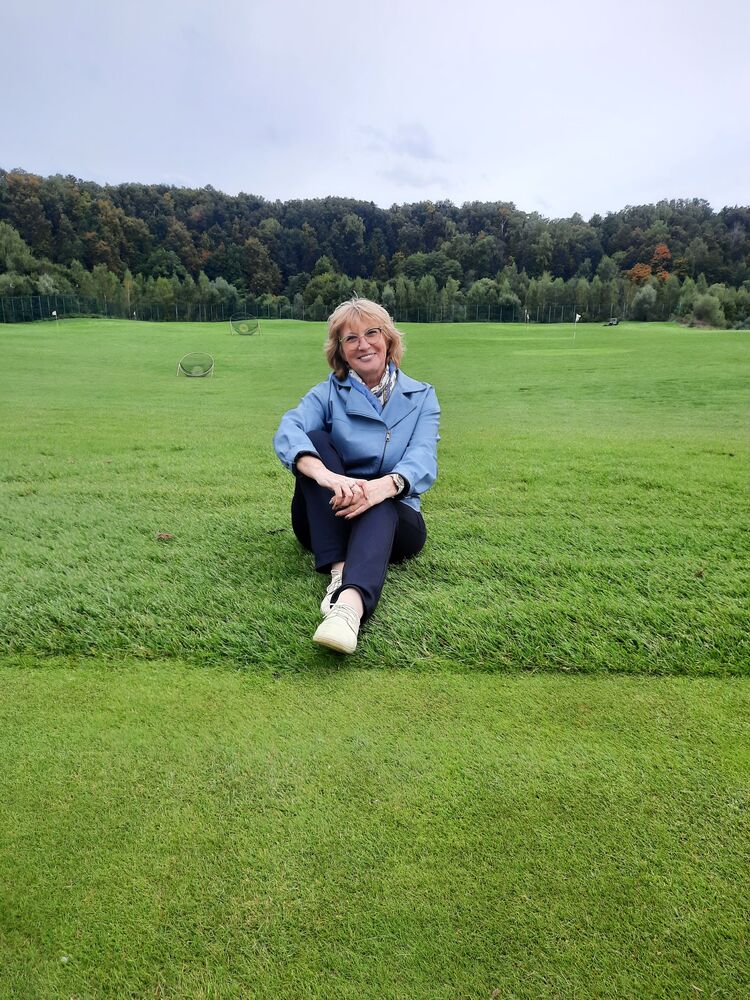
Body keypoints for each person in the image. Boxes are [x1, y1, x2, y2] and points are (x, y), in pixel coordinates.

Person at [274, 297, 440, 653]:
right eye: (351, 338)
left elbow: (424, 456)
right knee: (315, 439)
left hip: (395, 521)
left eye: (372, 333)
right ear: (341, 351)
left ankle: (347, 610)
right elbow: (290, 428)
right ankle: (340, 569)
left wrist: (385, 486)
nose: (363, 344)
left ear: (388, 339)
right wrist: (325, 476)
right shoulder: (326, 393)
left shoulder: (422, 396)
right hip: (327, 518)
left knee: (380, 502)